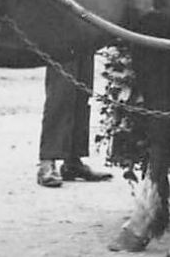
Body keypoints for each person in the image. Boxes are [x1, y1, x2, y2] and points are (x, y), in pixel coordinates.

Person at [36, 52, 114, 187]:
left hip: (84, 37)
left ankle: (72, 161)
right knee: (60, 92)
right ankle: (47, 162)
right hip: (62, 36)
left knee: (83, 92)